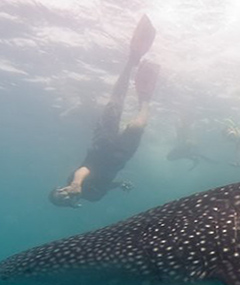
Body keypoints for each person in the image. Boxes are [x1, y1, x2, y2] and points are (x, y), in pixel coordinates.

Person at [48, 15, 160, 208]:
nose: (65, 195)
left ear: (61, 188)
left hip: (101, 145)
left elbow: (84, 170)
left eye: (60, 193)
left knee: (115, 102)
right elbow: (105, 184)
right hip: (121, 157)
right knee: (138, 124)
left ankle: (132, 60)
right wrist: (120, 185)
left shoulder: (72, 180)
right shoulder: (93, 197)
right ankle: (145, 97)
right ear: (70, 204)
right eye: (64, 200)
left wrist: (75, 184)